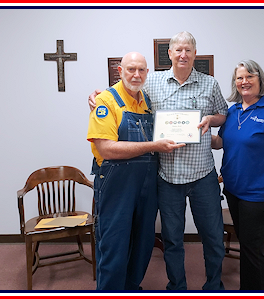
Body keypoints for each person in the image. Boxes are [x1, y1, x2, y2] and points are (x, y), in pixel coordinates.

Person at [89, 32, 228, 290]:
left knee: (210, 237)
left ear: (194, 54)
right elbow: (121, 94)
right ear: (170, 54)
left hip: (201, 173)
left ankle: (213, 287)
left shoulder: (210, 84)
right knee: (167, 239)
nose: (183, 55)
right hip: (167, 177)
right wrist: (98, 96)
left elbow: (223, 114)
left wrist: (211, 120)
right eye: (178, 50)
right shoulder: (151, 82)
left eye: (188, 50)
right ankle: (177, 287)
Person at [87, 52, 185, 290]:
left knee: (143, 243)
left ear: (147, 73)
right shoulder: (106, 102)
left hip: (146, 185)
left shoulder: (147, 101)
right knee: (114, 243)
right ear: (120, 72)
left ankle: (131, 287)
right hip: (116, 184)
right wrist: (154, 146)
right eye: (131, 69)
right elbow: (107, 148)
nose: (136, 74)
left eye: (141, 70)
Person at [211, 60, 264, 290]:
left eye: (250, 76)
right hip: (233, 191)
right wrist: (195, 132)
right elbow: (220, 142)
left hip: (257, 195)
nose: (244, 81)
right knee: (247, 246)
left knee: (254, 251)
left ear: (260, 80)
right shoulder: (233, 110)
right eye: (239, 78)